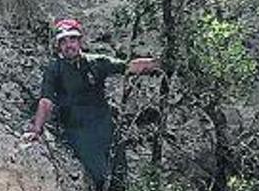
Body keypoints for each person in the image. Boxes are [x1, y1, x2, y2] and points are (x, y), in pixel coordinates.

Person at [22, 18, 159, 191]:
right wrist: (36, 130)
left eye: (72, 39)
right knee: (99, 176)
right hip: (78, 131)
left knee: (120, 178)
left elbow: (128, 67)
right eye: (63, 41)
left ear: (80, 41)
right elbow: (46, 101)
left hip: (106, 126)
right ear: (58, 45)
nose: (68, 45)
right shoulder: (54, 69)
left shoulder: (97, 62)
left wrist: (158, 63)